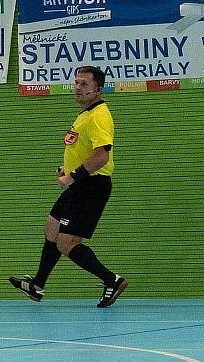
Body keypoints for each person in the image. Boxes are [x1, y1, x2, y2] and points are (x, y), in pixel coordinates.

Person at [9, 66, 127, 307]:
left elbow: (101, 155)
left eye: (84, 84)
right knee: (52, 227)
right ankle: (37, 284)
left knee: (67, 243)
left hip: (91, 187)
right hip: (79, 185)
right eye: (76, 82)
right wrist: (68, 171)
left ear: (98, 89)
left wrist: (72, 177)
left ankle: (111, 280)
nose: (78, 87)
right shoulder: (85, 114)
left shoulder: (98, 116)